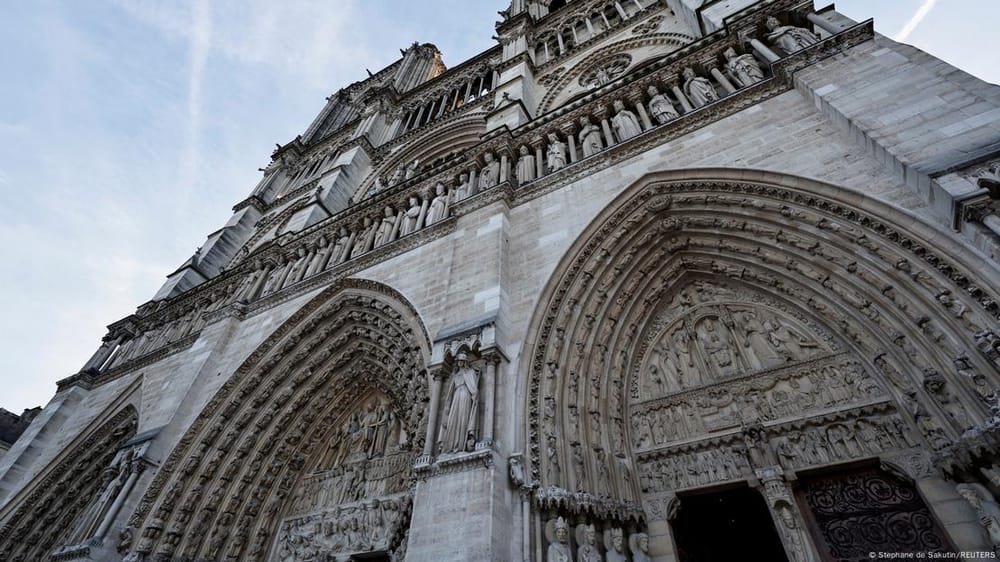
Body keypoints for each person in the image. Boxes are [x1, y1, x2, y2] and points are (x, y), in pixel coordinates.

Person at [438, 352, 480, 452]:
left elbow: (474, 388)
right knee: (452, 420)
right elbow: (450, 393)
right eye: (458, 361)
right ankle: (451, 446)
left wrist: (475, 396)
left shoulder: (470, 372)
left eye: (461, 361)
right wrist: (447, 407)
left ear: (465, 362)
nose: (459, 363)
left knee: (463, 419)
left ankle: (461, 446)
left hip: (465, 395)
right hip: (456, 397)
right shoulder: (455, 375)